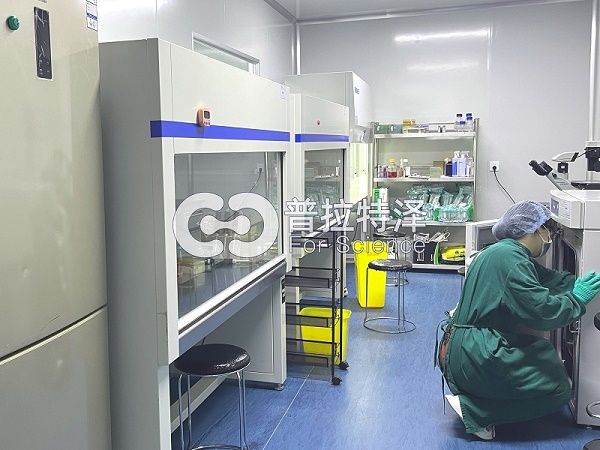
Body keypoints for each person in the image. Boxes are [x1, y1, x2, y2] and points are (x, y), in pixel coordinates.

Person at [437, 201, 600, 440]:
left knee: (540, 351)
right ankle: (477, 412)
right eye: (547, 230)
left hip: (456, 346)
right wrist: (577, 299)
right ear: (534, 229)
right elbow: (542, 313)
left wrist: (580, 281)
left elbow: (549, 280)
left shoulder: (502, 251)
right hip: (475, 354)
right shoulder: (512, 260)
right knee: (559, 389)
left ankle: (478, 397)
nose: (549, 237)